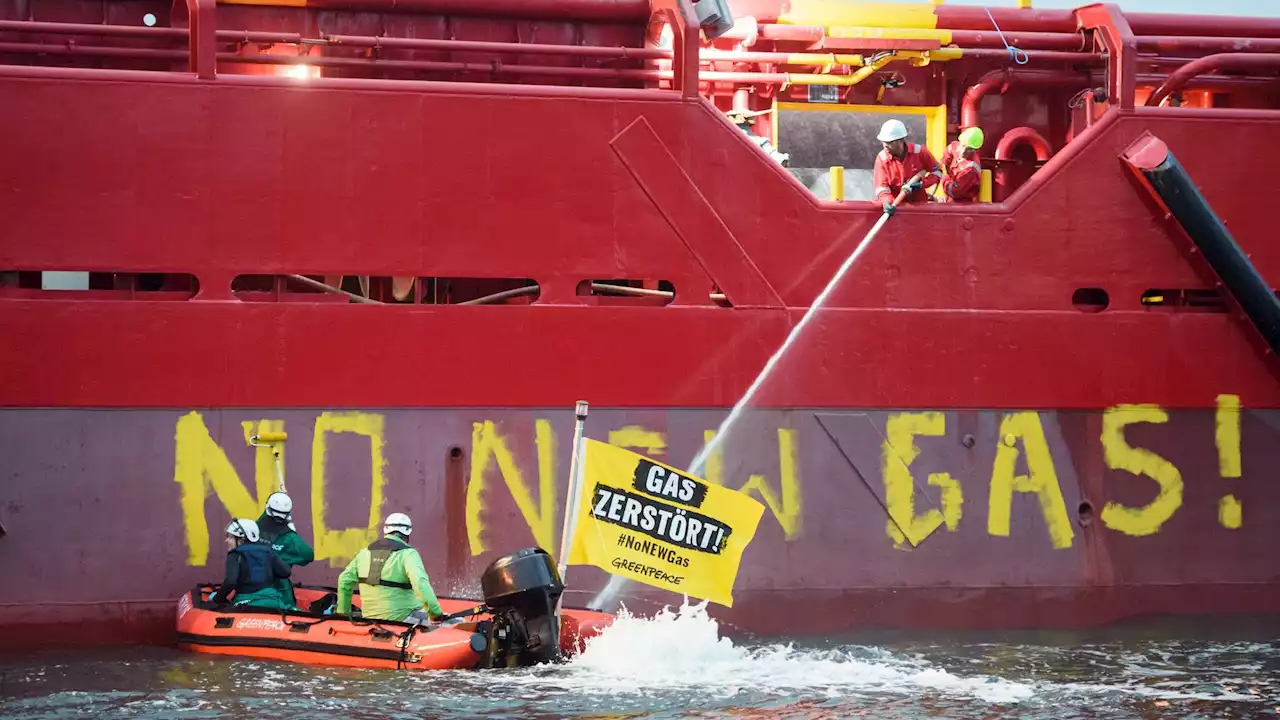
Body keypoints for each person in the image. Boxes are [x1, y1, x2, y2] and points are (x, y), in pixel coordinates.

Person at [336, 513, 445, 624]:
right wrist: (435, 614)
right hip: (402, 617)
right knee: (456, 622)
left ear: (385, 530)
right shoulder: (408, 554)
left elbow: (344, 580)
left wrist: (343, 614)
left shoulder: (364, 552)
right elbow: (420, 584)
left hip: (369, 617)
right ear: (408, 533)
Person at [211, 519, 292, 610]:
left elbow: (230, 581)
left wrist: (217, 598)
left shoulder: (235, 554)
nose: (227, 541)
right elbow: (286, 572)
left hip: (246, 602)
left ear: (241, 539)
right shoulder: (268, 551)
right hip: (273, 600)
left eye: (230, 537)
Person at [873, 118, 943, 216]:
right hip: (895, 208)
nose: (885, 145)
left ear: (900, 141)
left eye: (889, 142)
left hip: (919, 208)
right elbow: (881, 187)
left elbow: (937, 171)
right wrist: (887, 202)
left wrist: (922, 184)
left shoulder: (920, 152)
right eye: (883, 142)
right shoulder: (882, 159)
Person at [256, 492, 314, 610]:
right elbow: (308, 555)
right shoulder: (290, 538)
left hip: (252, 586)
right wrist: (286, 557)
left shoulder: (253, 529)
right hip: (279, 589)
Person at [940, 126, 985, 203]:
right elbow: (945, 157)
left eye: (969, 149)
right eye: (963, 146)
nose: (964, 151)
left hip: (962, 204)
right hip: (948, 197)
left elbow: (954, 192)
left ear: (975, 150)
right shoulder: (954, 147)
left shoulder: (971, 169)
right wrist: (944, 166)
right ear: (960, 142)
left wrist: (944, 177)